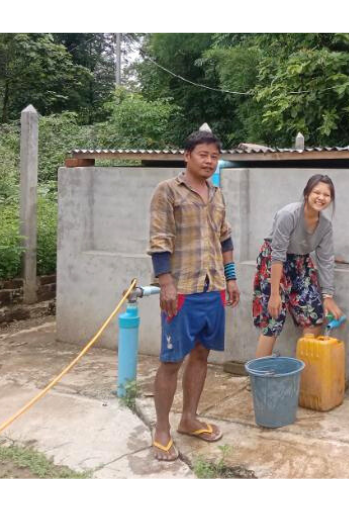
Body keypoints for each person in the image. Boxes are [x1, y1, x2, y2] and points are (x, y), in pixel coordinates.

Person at [147, 130, 241, 461]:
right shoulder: (167, 191)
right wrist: (166, 283)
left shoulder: (217, 195)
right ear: (187, 155)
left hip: (212, 287)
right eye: (203, 154)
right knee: (171, 360)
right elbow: (159, 240)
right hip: (182, 289)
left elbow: (225, 240)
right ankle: (161, 427)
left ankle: (189, 418)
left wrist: (230, 279)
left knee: (202, 355)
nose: (210, 161)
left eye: (214, 156)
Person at [252, 174, 344, 357]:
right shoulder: (289, 214)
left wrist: (328, 295)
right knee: (272, 319)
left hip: (301, 265)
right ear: (307, 194)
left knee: (314, 316)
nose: (321, 198)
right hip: (275, 262)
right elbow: (277, 254)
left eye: (326, 195)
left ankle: (304, 375)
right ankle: (260, 379)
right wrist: (275, 294)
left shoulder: (325, 225)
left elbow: (325, 260)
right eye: (316, 192)